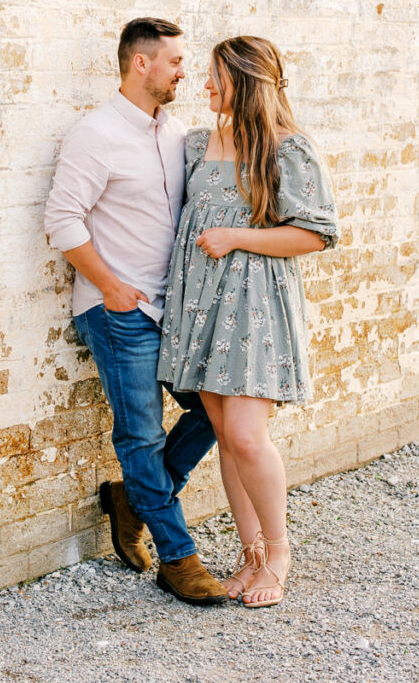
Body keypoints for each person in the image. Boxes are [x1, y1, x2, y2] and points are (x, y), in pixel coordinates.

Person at [44, 17, 228, 606]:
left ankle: (133, 499)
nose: (184, 72)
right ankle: (179, 558)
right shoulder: (95, 134)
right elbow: (61, 221)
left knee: (220, 410)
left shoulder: (176, 134)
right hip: (118, 310)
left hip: (173, 312)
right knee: (142, 437)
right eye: (175, 61)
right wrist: (111, 287)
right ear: (140, 63)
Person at [157, 36, 339, 608]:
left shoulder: (289, 149)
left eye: (216, 75)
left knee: (244, 435)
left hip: (255, 307)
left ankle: (279, 553)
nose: (205, 85)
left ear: (244, 81)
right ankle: (251, 554)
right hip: (201, 307)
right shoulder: (196, 144)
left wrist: (236, 236)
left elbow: (315, 234)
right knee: (227, 439)